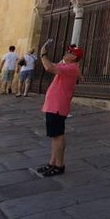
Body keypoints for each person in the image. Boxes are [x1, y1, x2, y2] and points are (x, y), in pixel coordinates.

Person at [33, 43, 83, 177]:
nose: (66, 53)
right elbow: (54, 64)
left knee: (58, 136)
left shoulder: (71, 68)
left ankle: (59, 165)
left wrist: (43, 54)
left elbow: (49, 67)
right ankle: (52, 163)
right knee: (56, 136)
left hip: (57, 106)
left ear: (74, 57)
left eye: (70, 52)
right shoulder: (68, 67)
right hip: (55, 105)